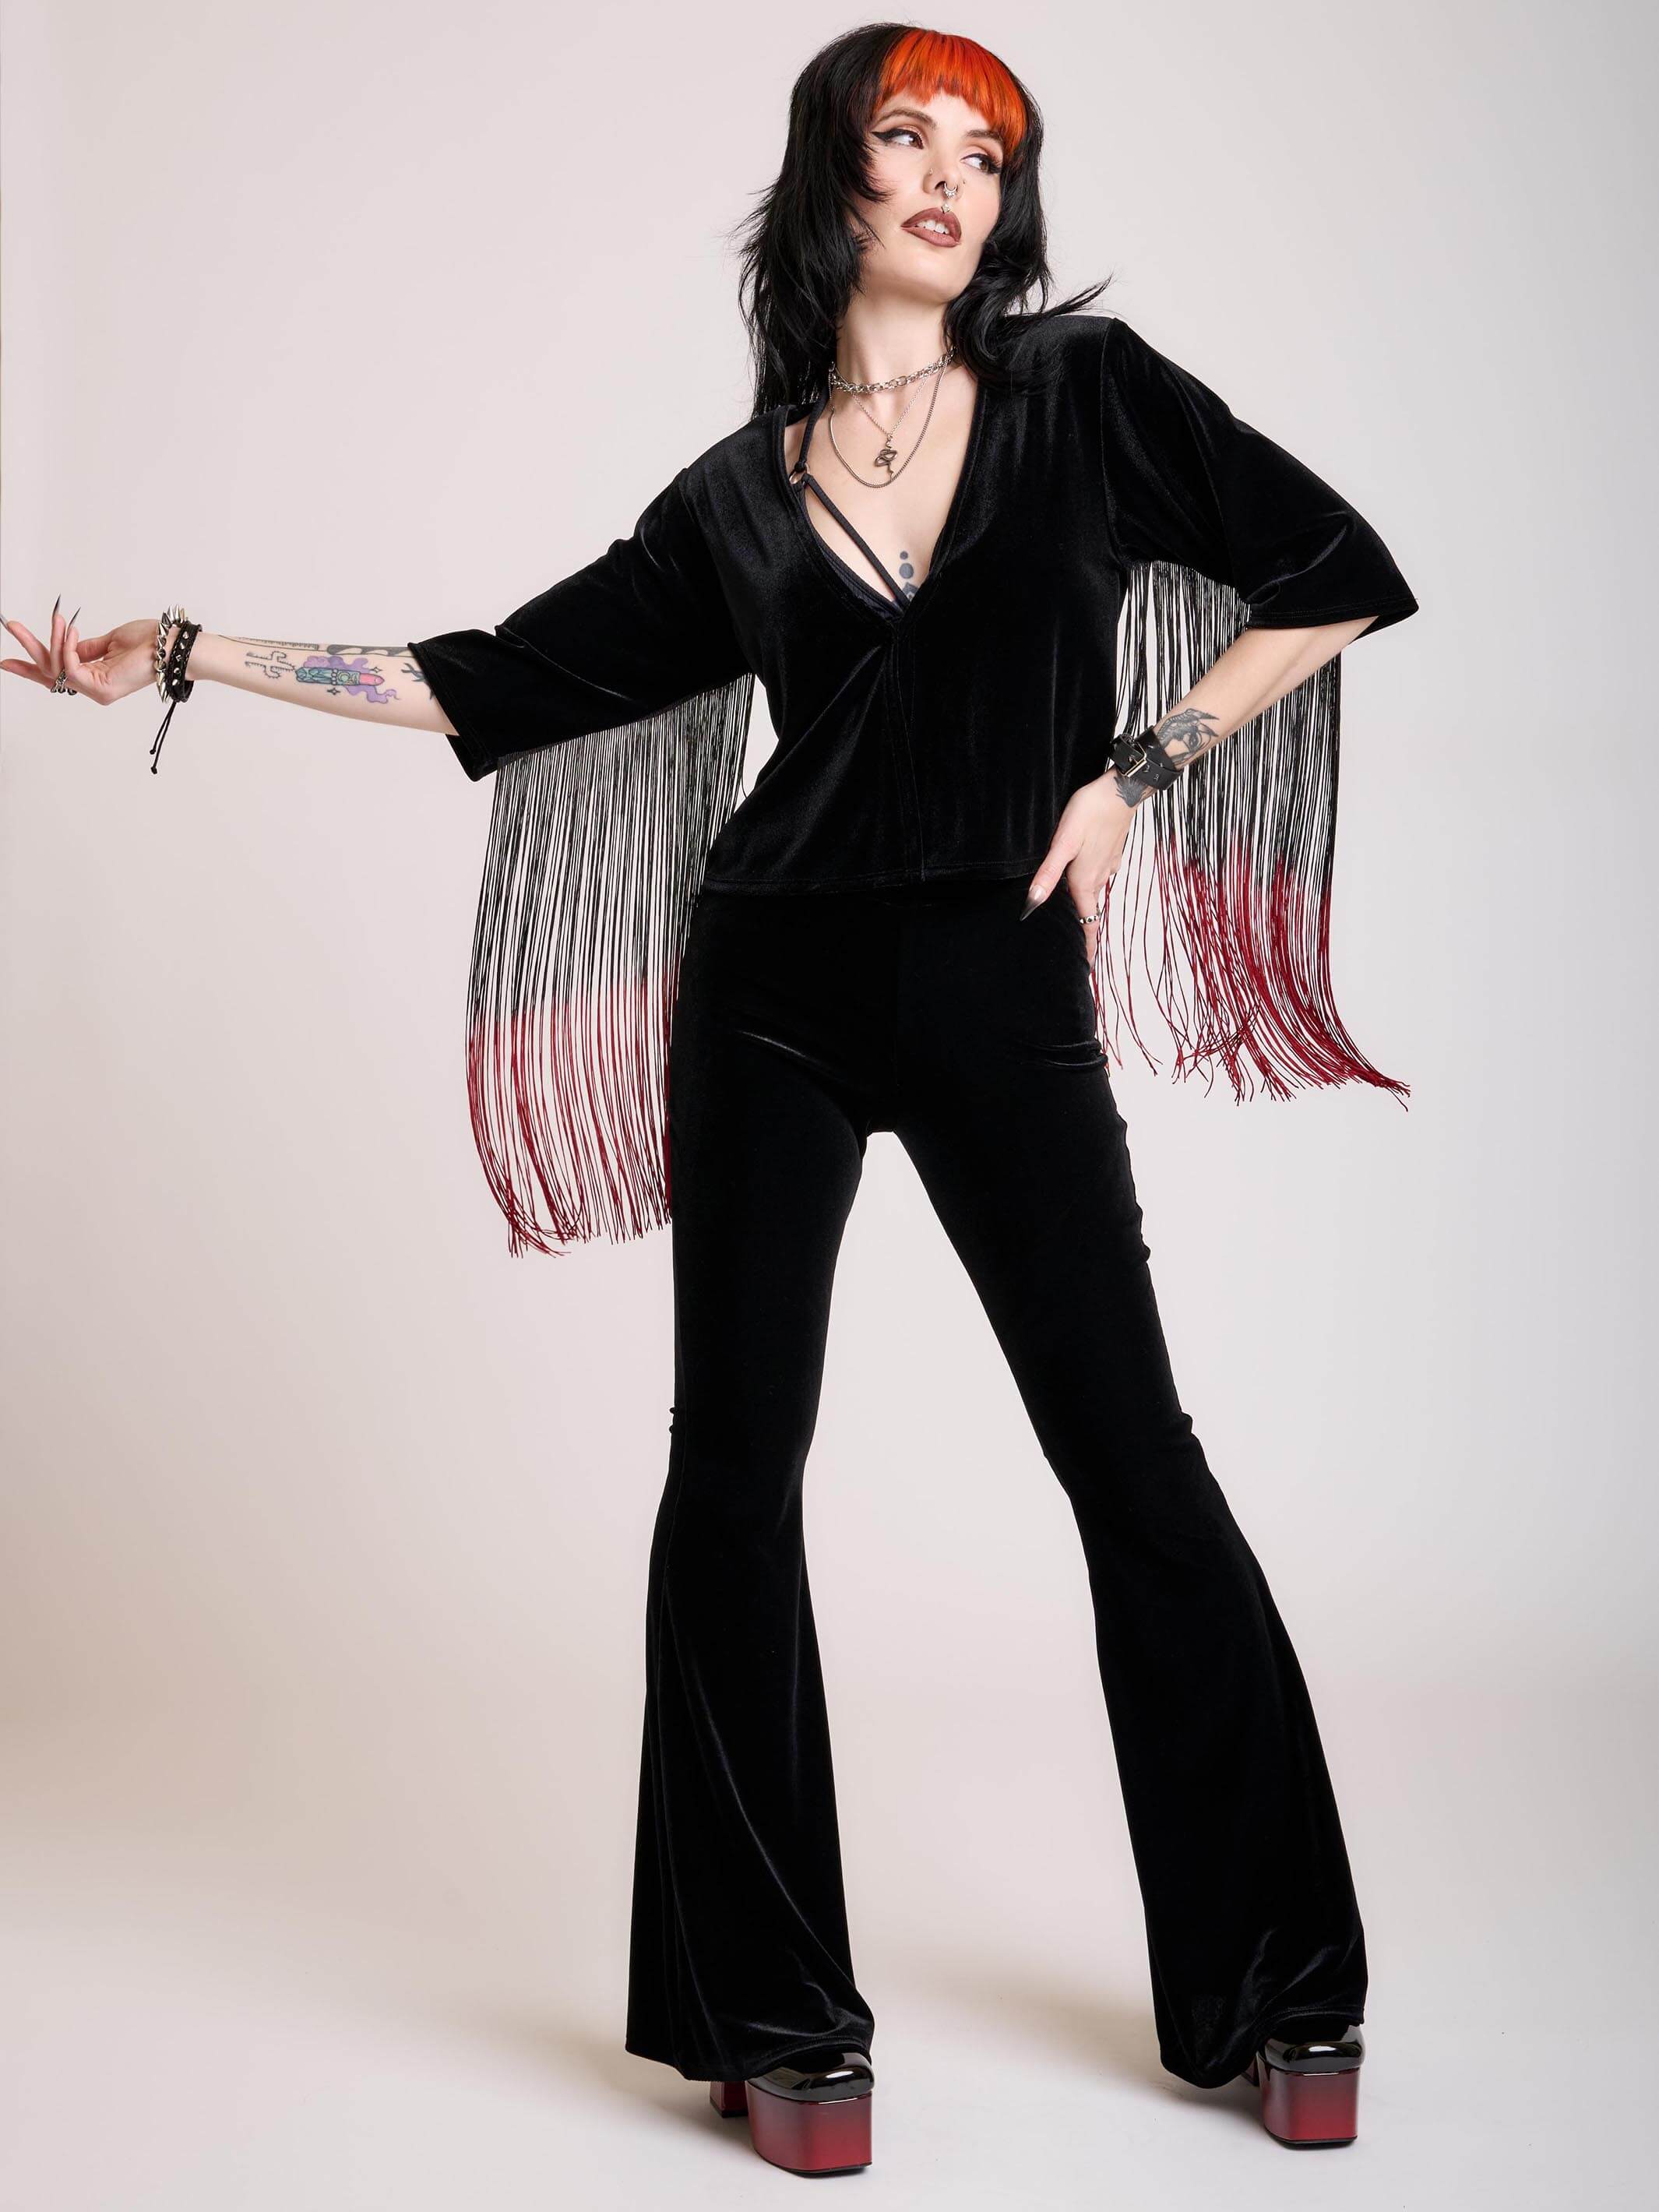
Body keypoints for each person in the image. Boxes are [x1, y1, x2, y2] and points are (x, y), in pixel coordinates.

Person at [4, 23, 1417, 2178]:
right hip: (766, 995)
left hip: (1000, 984)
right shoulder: (732, 500)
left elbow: (1332, 573)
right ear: (829, 181)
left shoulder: (1086, 397)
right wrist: (182, 650)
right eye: (904, 139)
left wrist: (1136, 769)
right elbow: (483, 681)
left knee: (1132, 1461)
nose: (947, 181)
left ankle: (1283, 1992)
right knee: (733, 1480)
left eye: (985, 155)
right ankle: (784, 2025)